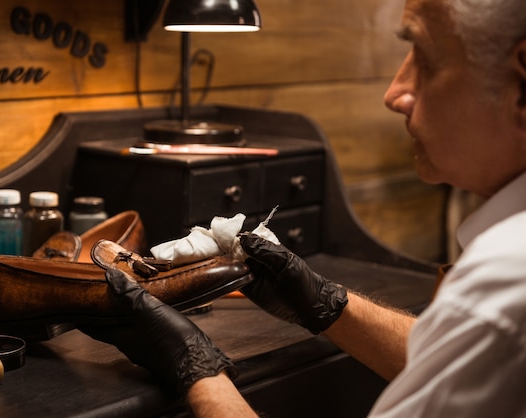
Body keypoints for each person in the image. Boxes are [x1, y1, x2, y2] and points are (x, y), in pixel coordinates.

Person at [81, 0, 526, 416]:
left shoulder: (504, 285)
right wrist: (323, 302)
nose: (395, 94)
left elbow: (480, 326)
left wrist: (195, 368)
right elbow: (446, 355)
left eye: (424, 58)